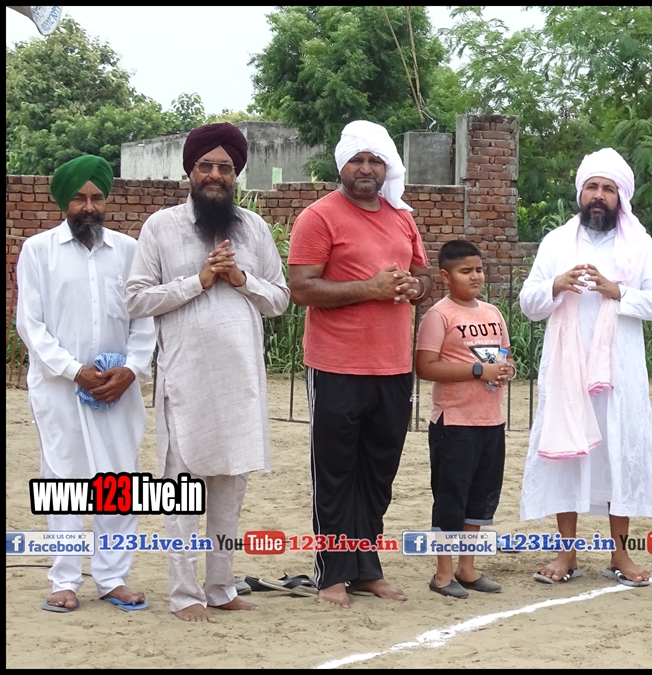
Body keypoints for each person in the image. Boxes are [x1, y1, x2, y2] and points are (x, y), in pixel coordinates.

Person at [126, 123, 291, 622]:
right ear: (190, 171)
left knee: (229, 489)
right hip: (186, 382)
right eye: (206, 166)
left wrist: (240, 278)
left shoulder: (254, 229)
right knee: (181, 492)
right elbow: (136, 299)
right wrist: (197, 281)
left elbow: (280, 300)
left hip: (240, 383)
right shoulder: (161, 226)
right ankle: (185, 594)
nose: (215, 175)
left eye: (225, 167)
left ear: (236, 173)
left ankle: (220, 587)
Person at [288, 120, 434, 608]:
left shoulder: (401, 217)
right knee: (335, 472)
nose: (366, 169)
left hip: (393, 366)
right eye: (357, 160)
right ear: (342, 166)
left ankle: (367, 566)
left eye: (375, 161)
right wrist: (369, 288)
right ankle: (331, 572)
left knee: (378, 471)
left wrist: (415, 287)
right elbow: (302, 288)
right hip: (336, 365)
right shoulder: (319, 217)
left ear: (387, 168)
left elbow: (424, 275)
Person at [519, 148, 652, 586]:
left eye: (608, 189)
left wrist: (616, 291)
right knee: (566, 452)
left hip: (618, 373)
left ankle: (620, 554)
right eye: (592, 187)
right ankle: (566, 554)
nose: (599, 196)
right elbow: (529, 304)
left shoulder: (638, 244)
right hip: (565, 372)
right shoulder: (555, 243)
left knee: (617, 453)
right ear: (580, 193)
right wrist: (556, 284)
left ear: (621, 197)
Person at [16, 155, 155, 613]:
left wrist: (131, 369)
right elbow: (31, 325)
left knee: (119, 479)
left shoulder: (129, 251)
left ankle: (113, 578)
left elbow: (144, 319)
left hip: (118, 388)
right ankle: (65, 580)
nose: (89, 207)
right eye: (79, 198)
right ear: (64, 202)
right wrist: (74, 369)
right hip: (60, 387)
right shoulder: (39, 251)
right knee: (65, 478)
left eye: (97, 197)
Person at [415, 239, 516, 598]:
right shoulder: (439, 315)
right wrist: (477, 370)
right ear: (445, 276)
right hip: (454, 423)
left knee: (481, 496)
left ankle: (467, 567)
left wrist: (506, 369)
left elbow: (504, 355)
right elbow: (425, 366)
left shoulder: (492, 312)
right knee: (450, 497)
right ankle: (443, 573)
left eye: (479, 269)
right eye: (465, 271)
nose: (475, 276)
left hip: (491, 420)